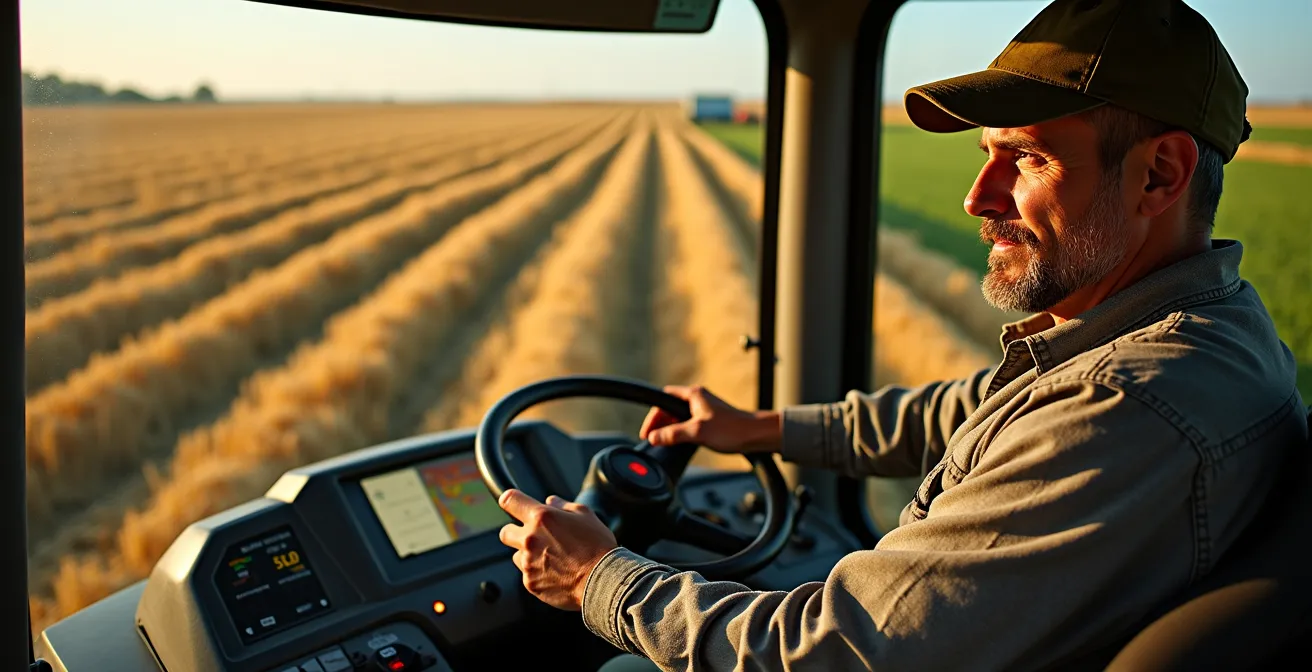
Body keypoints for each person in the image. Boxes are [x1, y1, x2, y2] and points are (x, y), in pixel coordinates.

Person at [496, 0, 1309, 669]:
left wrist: (599, 576)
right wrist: (764, 429)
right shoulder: (1213, 327)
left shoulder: (1123, 407)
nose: (977, 196)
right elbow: (977, 411)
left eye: (1023, 159)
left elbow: (834, 656)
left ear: (1159, 175)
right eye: (986, 155)